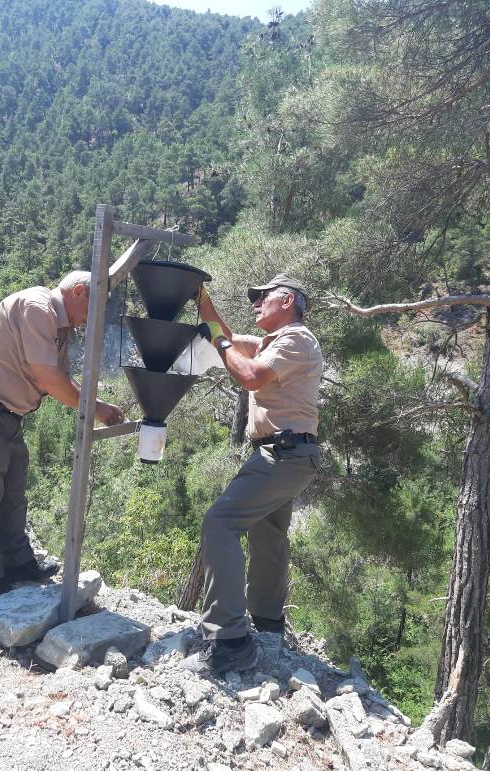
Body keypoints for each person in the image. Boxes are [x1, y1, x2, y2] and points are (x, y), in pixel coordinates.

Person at [0, 271, 124, 603]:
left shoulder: (59, 325)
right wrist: (97, 408)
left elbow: (61, 378)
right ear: (81, 292)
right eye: (94, 308)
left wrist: (90, 402)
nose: (90, 319)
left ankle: (19, 564)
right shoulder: (38, 307)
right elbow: (50, 379)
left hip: (5, 415)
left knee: (12, 495)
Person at [182, 273, 323, 675]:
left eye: (263, 297)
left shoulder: (296, 339)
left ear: (288, 300)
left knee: (220, 523)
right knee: (268, 535)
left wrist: (222, 342)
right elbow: (222, 334)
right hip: (287, 454)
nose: (255, 303)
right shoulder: (272, 343)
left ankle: (229, 641)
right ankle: (267, 625)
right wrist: (201, 298)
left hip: (284, 455)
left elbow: (248, 375)